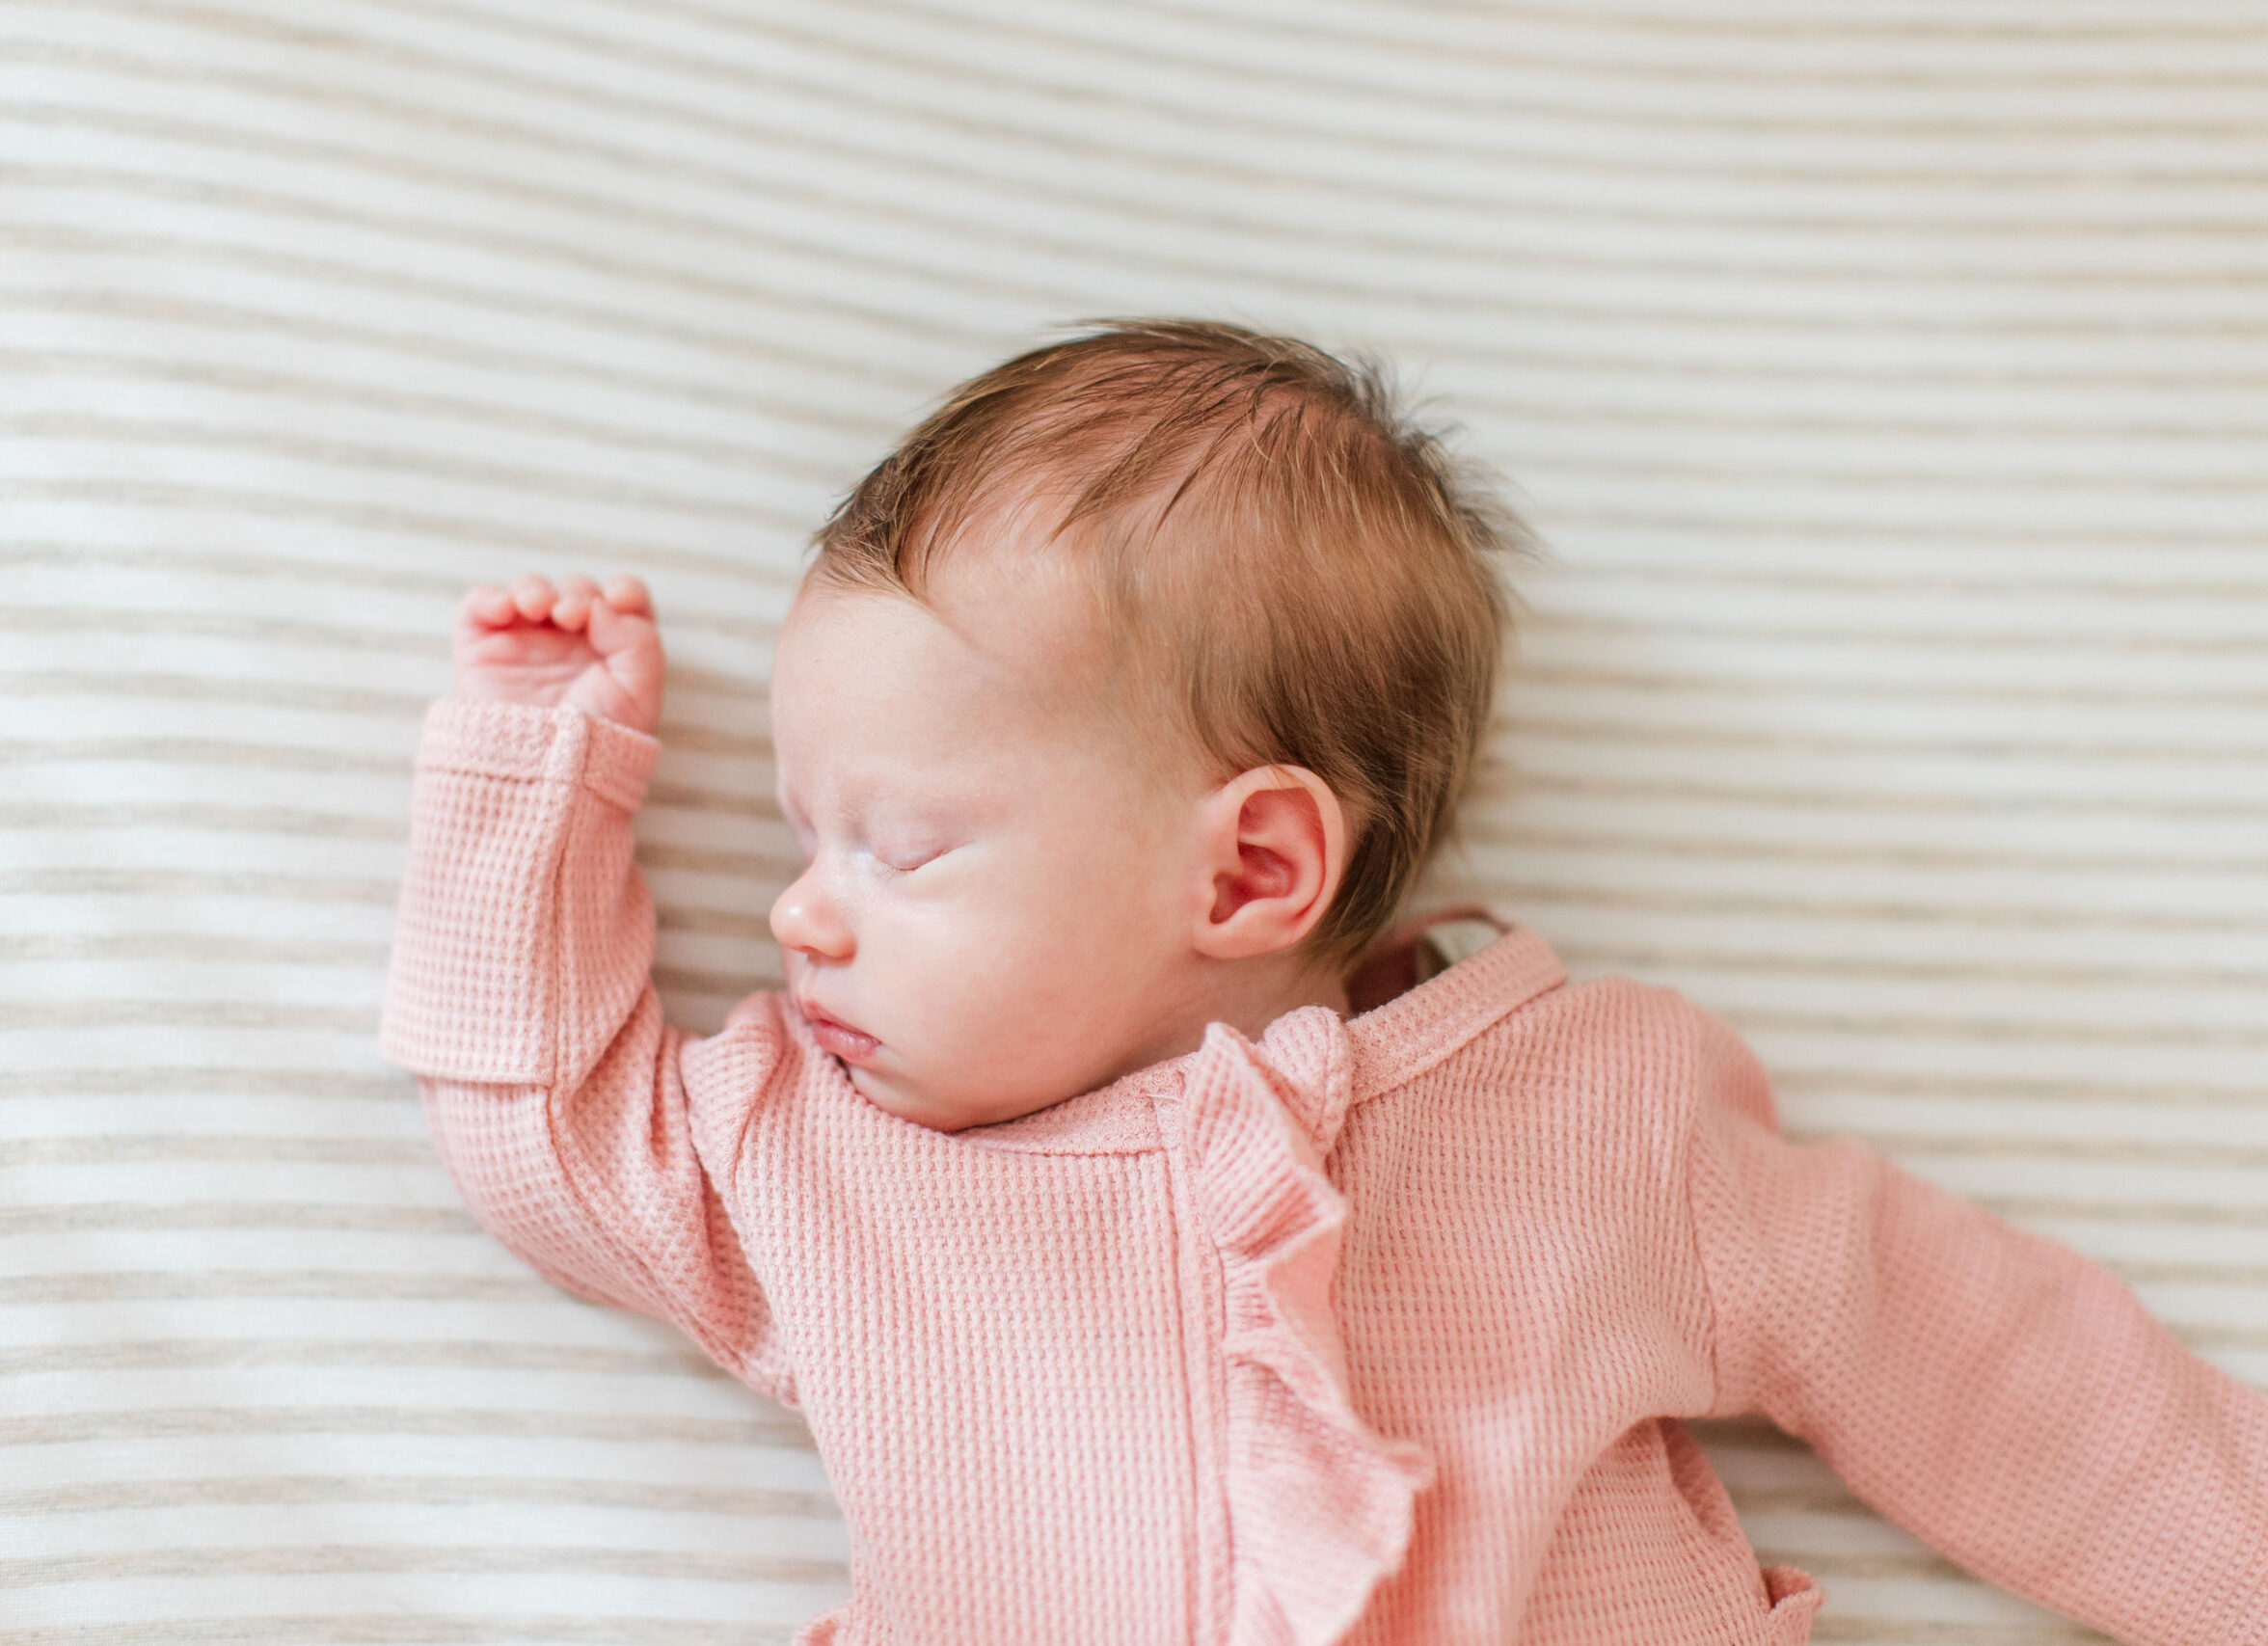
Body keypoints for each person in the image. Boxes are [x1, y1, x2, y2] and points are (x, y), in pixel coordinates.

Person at [379, 320, 2268, 1645]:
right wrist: (537, 774)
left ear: (1250, 865)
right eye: (800, 840)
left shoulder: (1586, 1107)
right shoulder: (816, 1154)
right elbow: (540, 1123)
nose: (800, 917)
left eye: (900, 843)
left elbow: (1974, 1359)